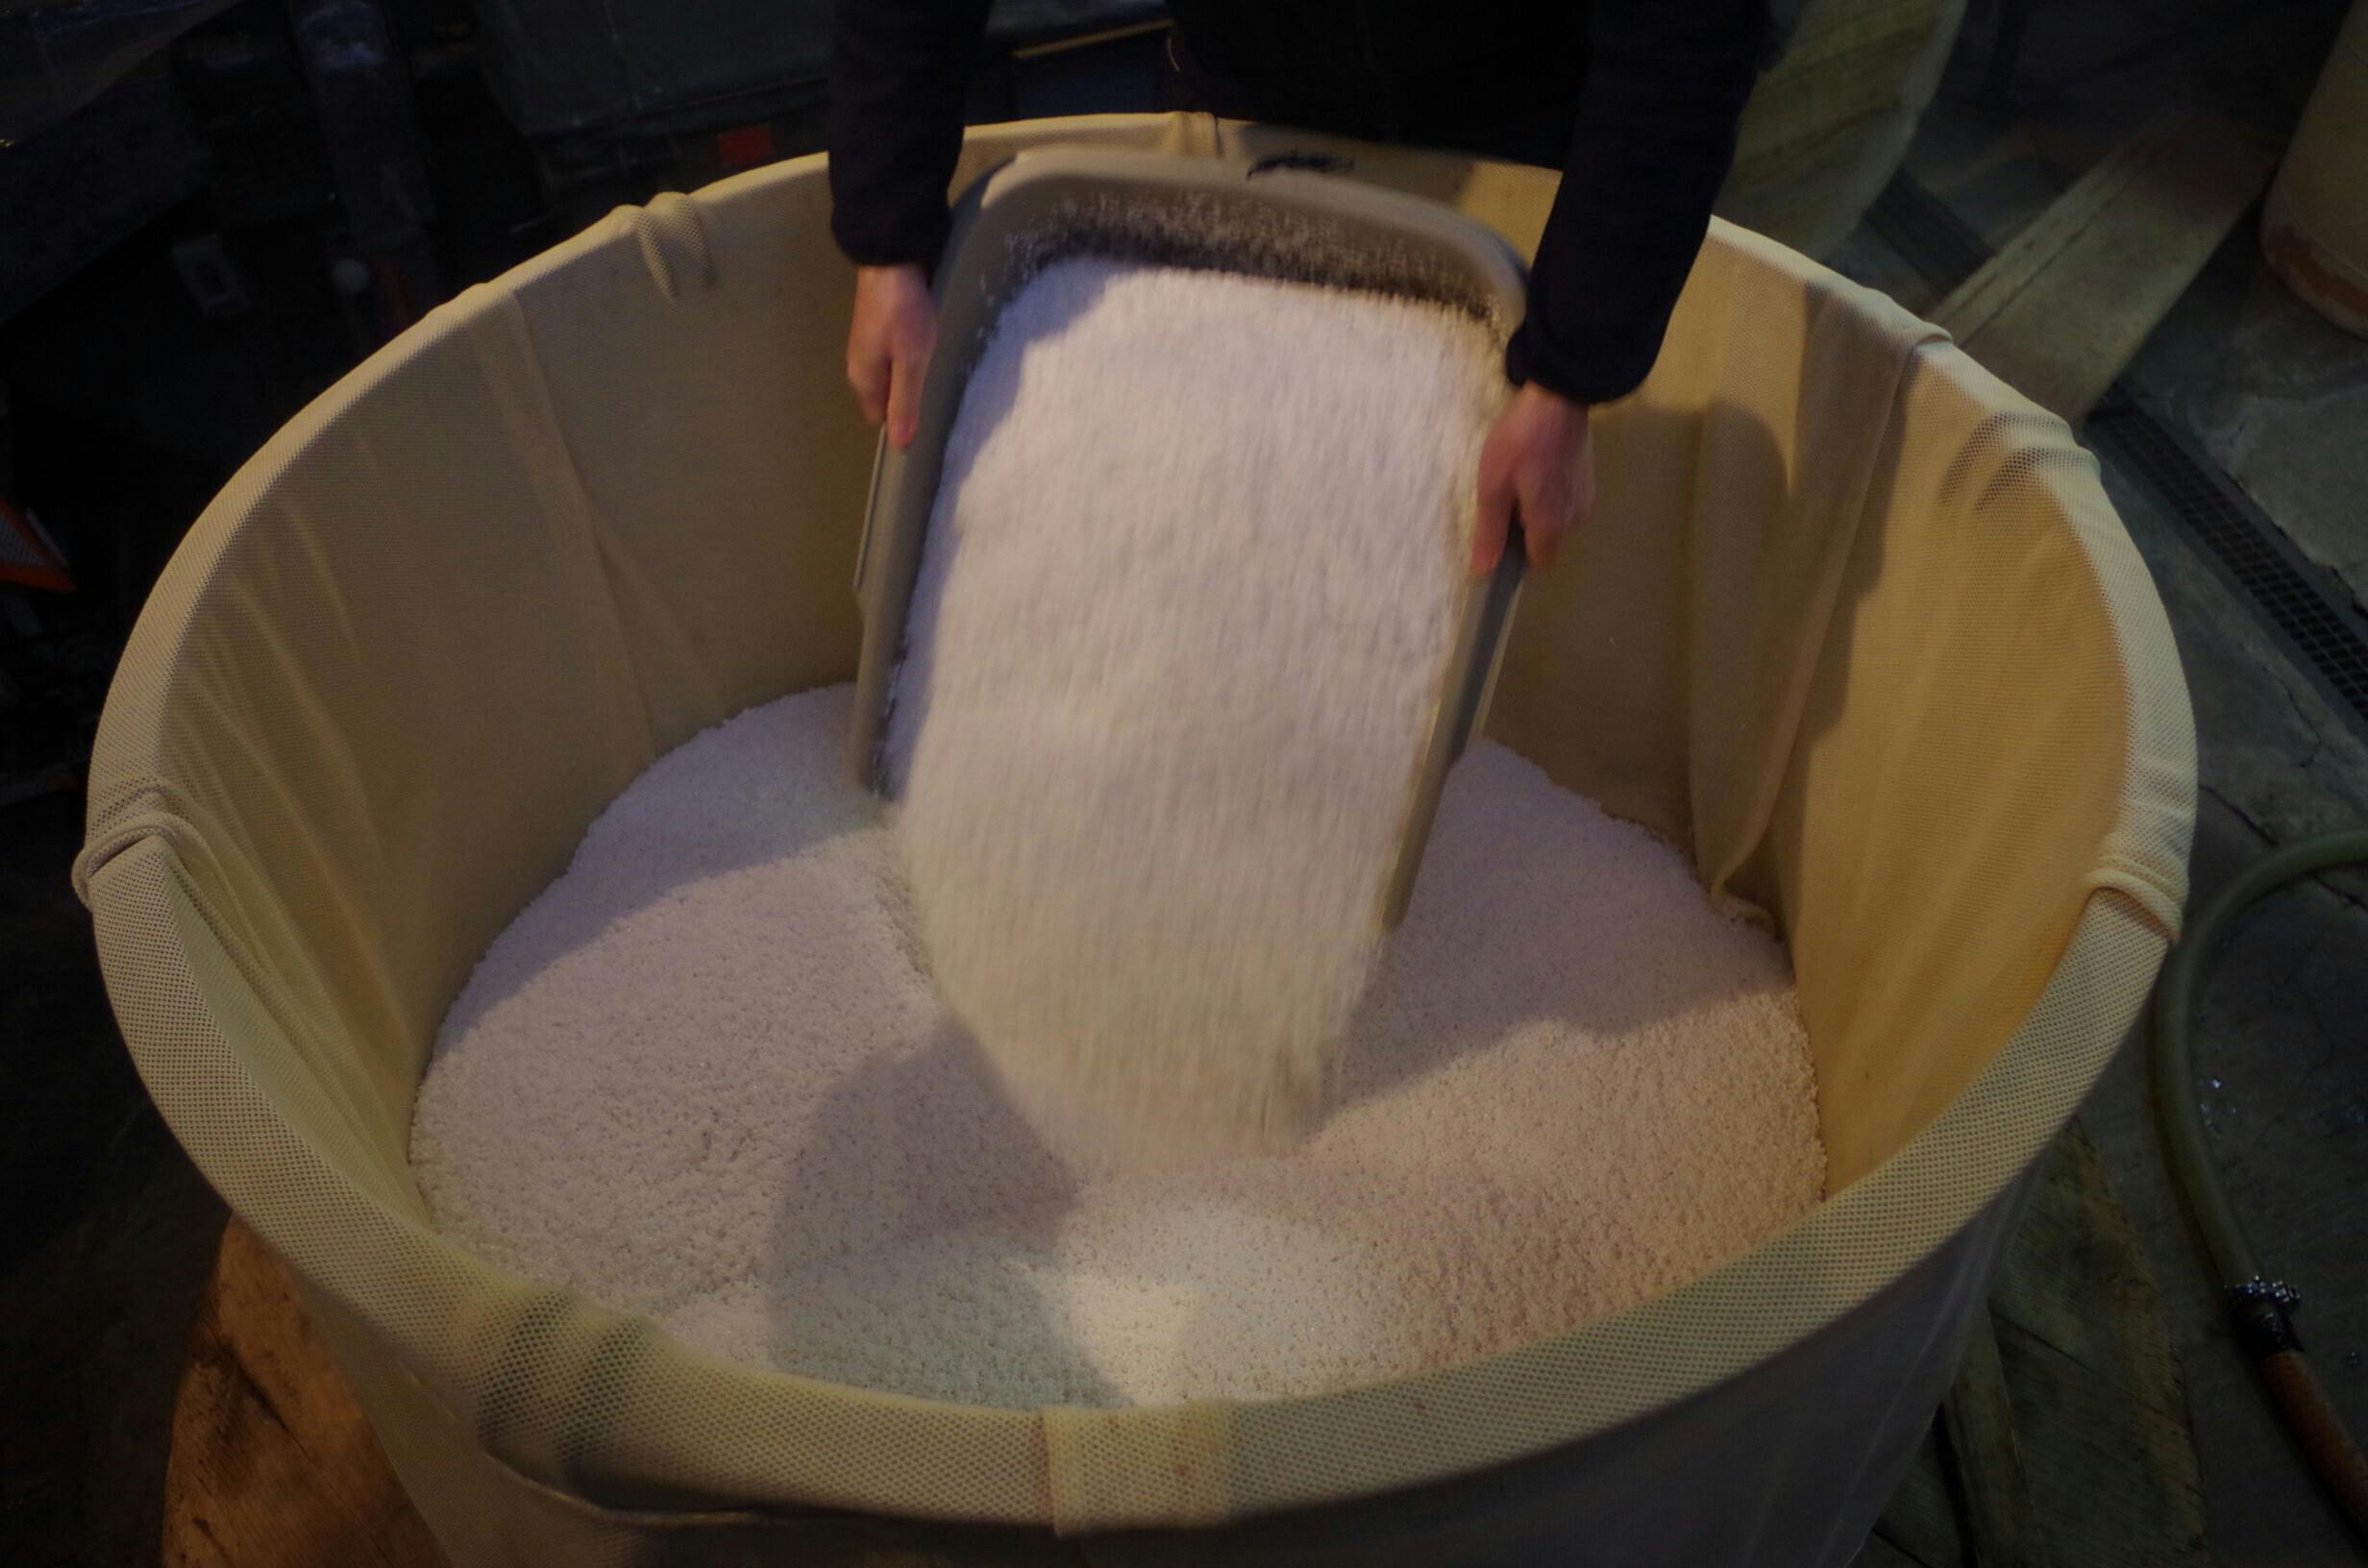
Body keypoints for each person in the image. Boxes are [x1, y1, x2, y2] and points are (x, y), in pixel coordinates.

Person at [828, 2, 1767, 574]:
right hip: (1249, 89)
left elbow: (1687, 32)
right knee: (1209, 493)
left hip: (1530, 118)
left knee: (1468, 519)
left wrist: (1570, 372)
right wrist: (888, 240)